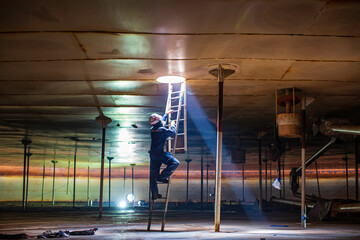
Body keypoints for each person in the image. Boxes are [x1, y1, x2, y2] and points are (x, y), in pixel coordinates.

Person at [149, 110, 180, 200]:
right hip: (160, 153)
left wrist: (166, 115)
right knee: (175, 163)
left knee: (153, 176)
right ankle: (162, 177)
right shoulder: (162, 130)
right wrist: (173, 124)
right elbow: (173, 133)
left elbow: (160, 121)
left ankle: (154, 194)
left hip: (153, 154)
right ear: (158, 121)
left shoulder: (152, 129)